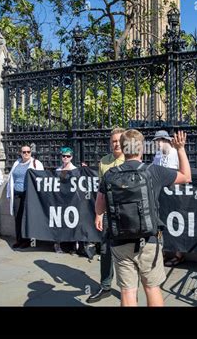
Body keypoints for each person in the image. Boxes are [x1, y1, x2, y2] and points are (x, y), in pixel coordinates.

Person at [95, 129, 191, 306]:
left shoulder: (109, 175)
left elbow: (99, 205)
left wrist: (99, 215)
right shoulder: (153, 171)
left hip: (120, 240)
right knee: (152, 288)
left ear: (123, 149)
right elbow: (186, 177)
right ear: (141, 149)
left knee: (128, 291)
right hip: (148, 240)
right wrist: (180, 149)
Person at [86, 127, 126, 303]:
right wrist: (99, 214)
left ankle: (128, 289)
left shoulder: (131, 159)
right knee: (105, 250)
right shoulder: (104, 162)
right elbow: (100, 191)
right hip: (108, 213)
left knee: (126, 252)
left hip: (126, 213)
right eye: (113, 141)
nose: (116, 144)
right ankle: (106, 286)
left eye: (119, 141)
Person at [151, 130, 184, 267]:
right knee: (162, 222)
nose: (157, 144)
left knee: (176, 223)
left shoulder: (175, 154)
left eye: (158, 141)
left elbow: (183, 172)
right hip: (161, 194)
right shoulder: (158, 155)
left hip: (175, 194)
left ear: (165, 140)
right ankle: (163, 252)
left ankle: (178, 254)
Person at [6, 144, 44, 249]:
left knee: (26, 217)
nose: (26, 154)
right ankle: (19, 239)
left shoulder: (36, 163)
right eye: (24, 152)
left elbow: (40, 179)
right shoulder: (16, 163)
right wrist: (9, 193)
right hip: (17, 193)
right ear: (20, 153)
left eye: (28, 152)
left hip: (28, 194)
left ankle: (27, 240)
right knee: (17, 217)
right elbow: (11, 178)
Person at [54, 147, 77, 254]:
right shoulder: (57, 170)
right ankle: (58, 244)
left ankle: (72, 245)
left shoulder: (75, 169)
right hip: (60, 200)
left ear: (71, 157)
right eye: (64, 156)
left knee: (72, 222)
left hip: (72, 200)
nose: (66, 158)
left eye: (68, 156)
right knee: (59, 222)